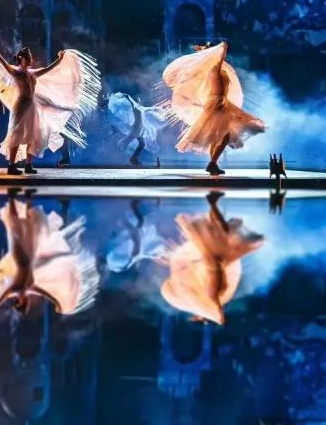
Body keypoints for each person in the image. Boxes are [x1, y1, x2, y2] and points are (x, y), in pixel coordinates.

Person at [0, 188, 99, 323]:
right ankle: (28, 198)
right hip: (29, 256)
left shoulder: (14, 290)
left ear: (20, 302)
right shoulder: (31, 287)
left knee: (15, 229)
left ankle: (12, 197)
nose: (28, 302)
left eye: (25, 304)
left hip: (18, 258)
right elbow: (48, 294)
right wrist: (60, 305)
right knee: (30, 229)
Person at [0, 38, 100, 174]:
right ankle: (11, 166)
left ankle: (28, 165)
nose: (31, 59)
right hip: (20, 107)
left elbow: (49, 69)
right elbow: (2, 63)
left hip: (31, 108)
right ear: (22, 59)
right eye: (29, 57)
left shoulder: (32, 73)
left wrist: (60, 59)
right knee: (16, 135)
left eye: (31, 57)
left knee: (32, 135)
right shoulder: (16, 72)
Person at [160, 191, 264, 325]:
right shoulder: (215, 295)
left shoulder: (205, 297)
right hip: (210, 266)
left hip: (207, 267)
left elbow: (211, 267)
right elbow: (213, 267)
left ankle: (213, 203)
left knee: (218, 236)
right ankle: (213, 203)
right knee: (219, 236)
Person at [162, 41, 265, 176]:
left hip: (220, 102)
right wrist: (220, 47)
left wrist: (205, 50)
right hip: (218, 103)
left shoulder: (216, 68)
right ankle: (212, 163)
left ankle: (213, 164)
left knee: (216, 137)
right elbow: (220, 52)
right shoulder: (215, 67)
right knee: (225, 136)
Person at [105, 199, 166, 273]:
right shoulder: (152, 251)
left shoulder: (110, 244)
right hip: (153, 218)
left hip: (142, 212)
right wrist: (128, 226)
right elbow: (135, 240)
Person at [106, 92, 166, 166]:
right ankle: (124, 154)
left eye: (139, 100)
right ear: (136, 101)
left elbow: (148, 109)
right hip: (136, 129)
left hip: (139, 129)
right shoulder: (135, 108)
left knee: (140, 144)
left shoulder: (141, 108)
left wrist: (156, 108)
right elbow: (132, 103)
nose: (139, 101)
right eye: (137, 100)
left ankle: (132, 158)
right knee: (130, 141)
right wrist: (127, 97)